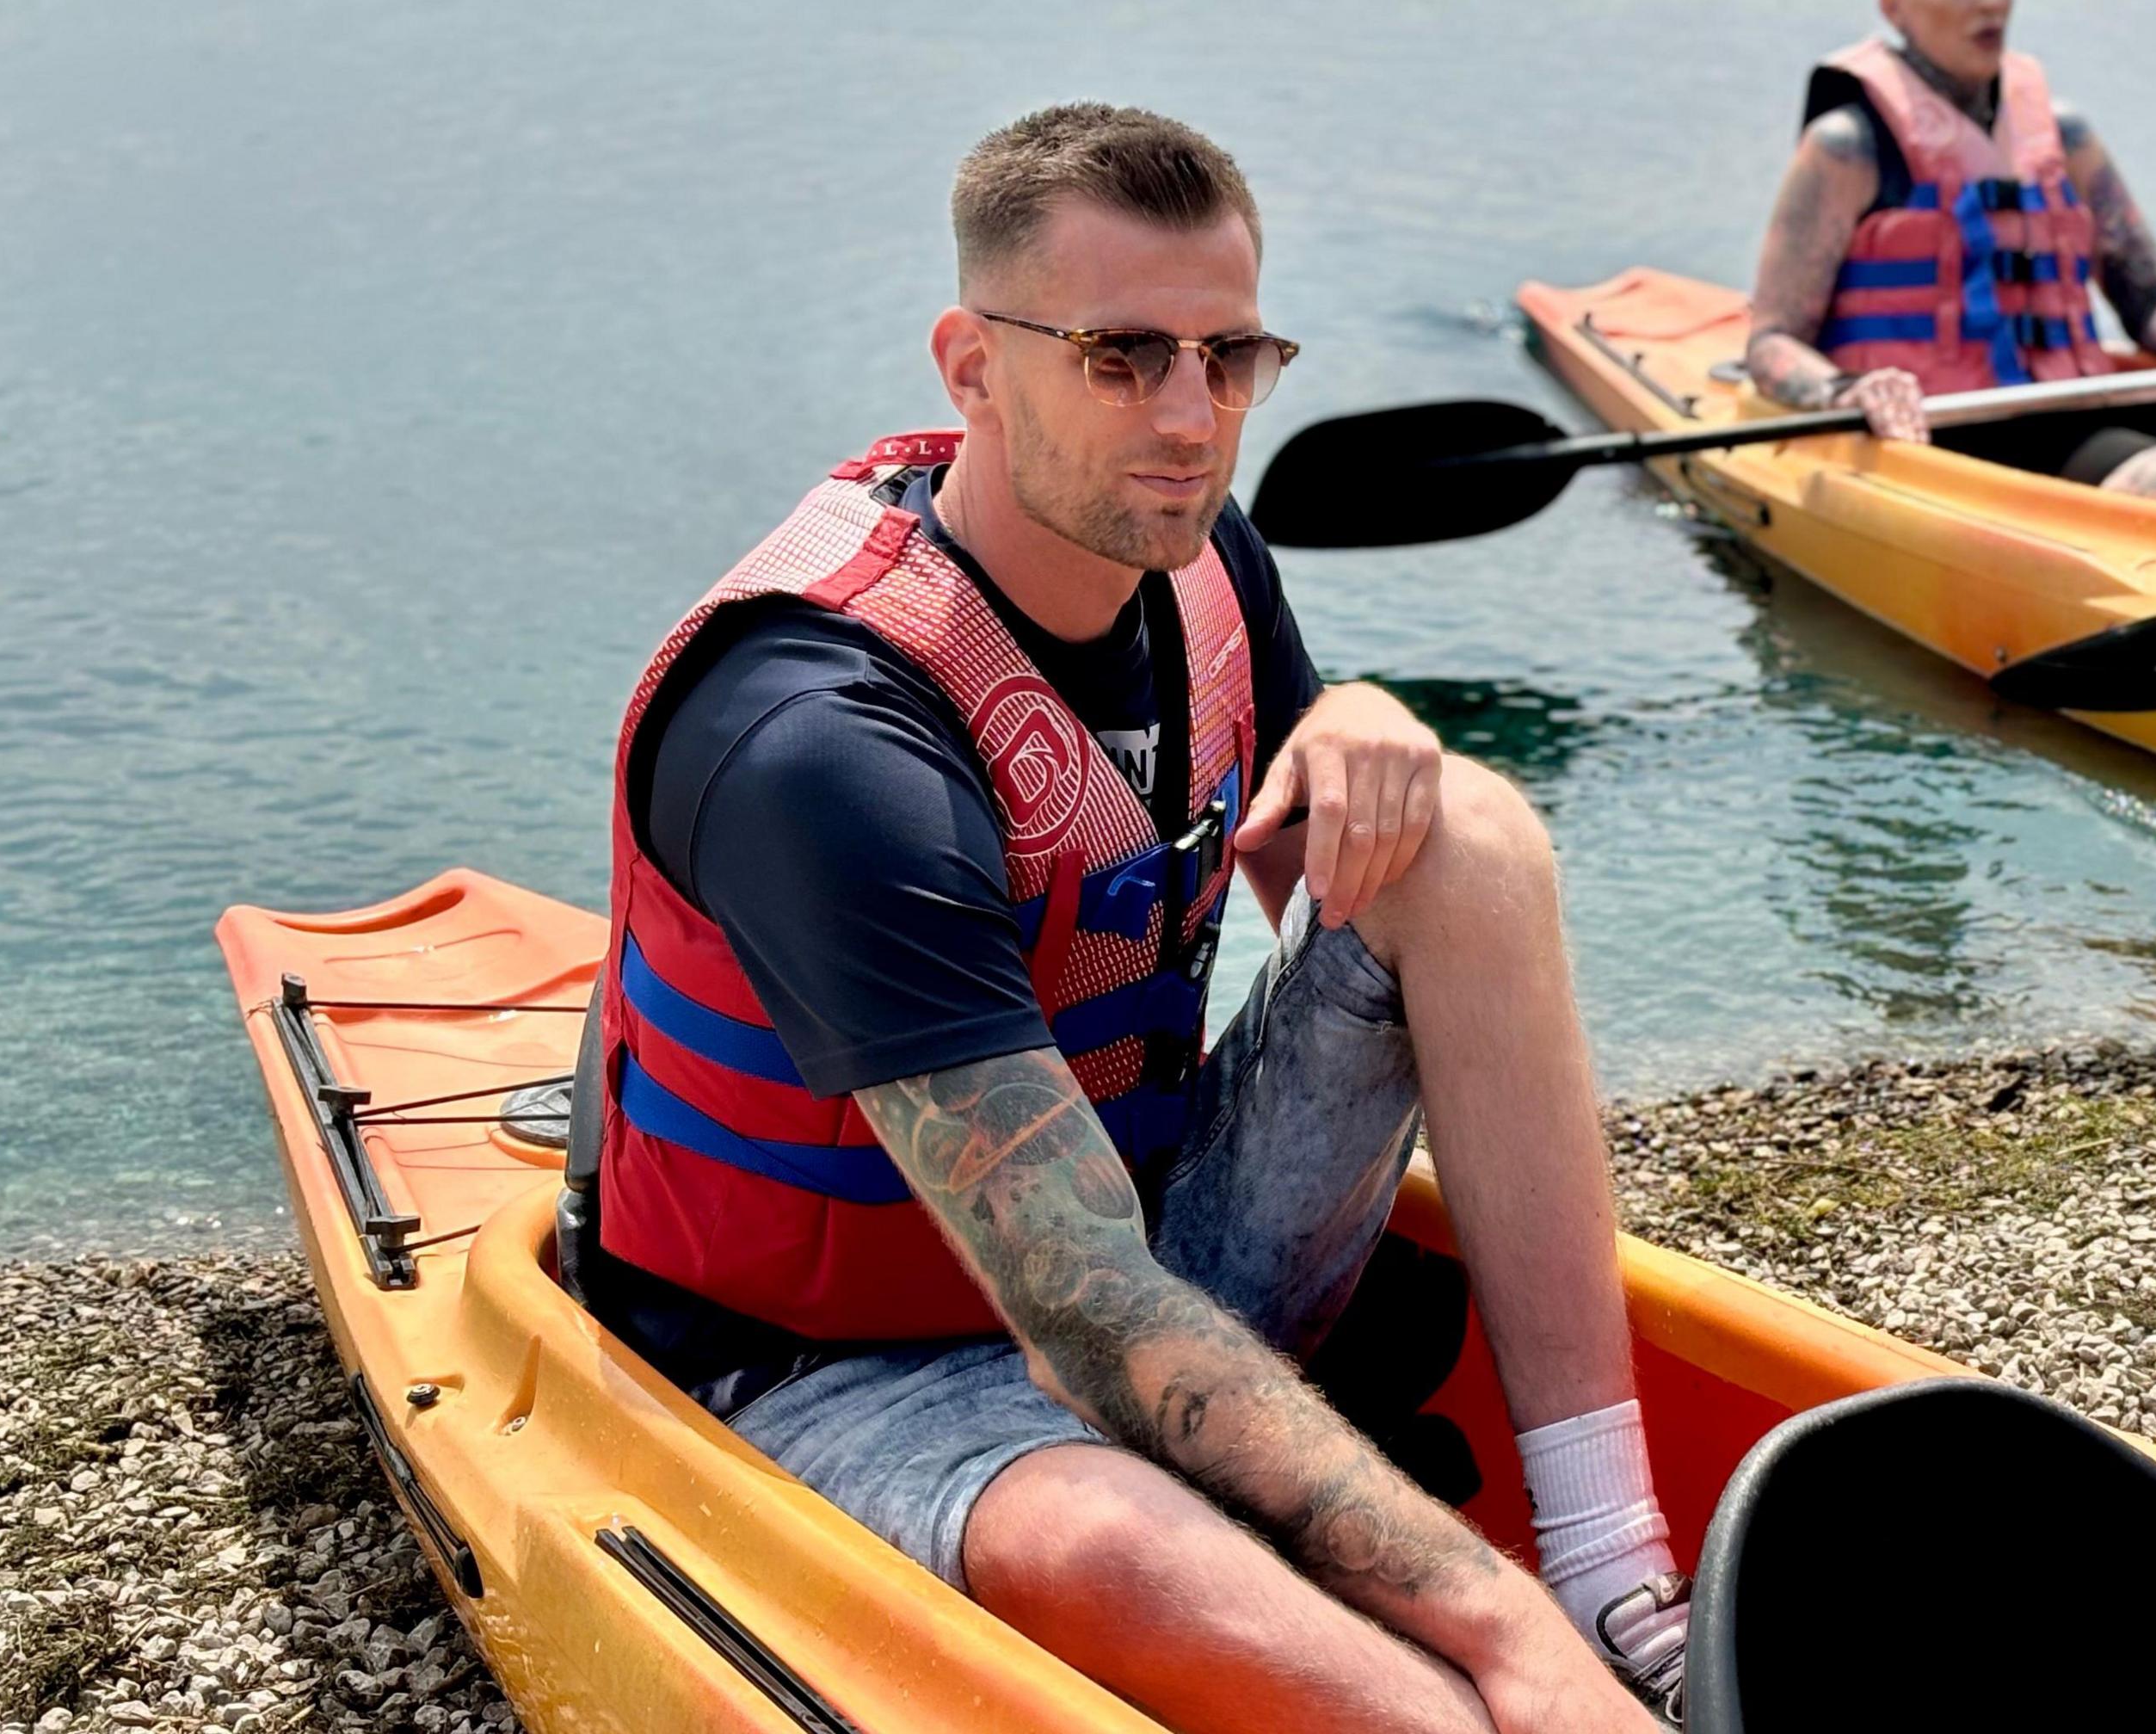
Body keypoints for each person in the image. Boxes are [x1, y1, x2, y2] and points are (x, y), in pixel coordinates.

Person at [574, 103, 1682, 1732]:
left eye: (1230, 358)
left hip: (1151, 1239)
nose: (1190, 417)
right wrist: (1491, 1632)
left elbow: (1362, 920)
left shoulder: (1201, 556)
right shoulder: (823, 736)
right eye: (1120, 355)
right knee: (1111, 1551)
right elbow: (1080, 1308)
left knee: (1471, 832)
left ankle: (1613, 1568)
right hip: (837, 1366)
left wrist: (1365, 727)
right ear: (971, 364)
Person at [1745, 0, 2156, 516]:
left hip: (2068, 416)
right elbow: (1772, 341)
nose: (1990, 0)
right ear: (1894, 7)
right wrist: (1844, 392)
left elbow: (2151, 301)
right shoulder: (1848, 147)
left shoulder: (2065, 137)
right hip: (1924, 439)